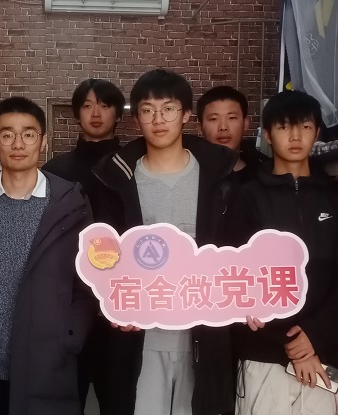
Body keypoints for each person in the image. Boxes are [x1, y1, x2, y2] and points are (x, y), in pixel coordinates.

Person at [92, 69, 236, 415]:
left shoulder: (219, 178)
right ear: (136, 118)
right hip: (140, 338)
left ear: (186, 114)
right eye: (147, 110)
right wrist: (108, 304)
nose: (158, 120)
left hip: (203, 335)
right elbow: (101, 256)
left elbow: (235, 251)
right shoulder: (116, 181)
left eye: (168, 109)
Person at [0, 97, 96, 415]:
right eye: (7, 134)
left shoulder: (71, 205)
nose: (18, 144)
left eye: (28, 134)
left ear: (43, 141)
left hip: (47, 361)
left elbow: (87, 282)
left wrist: (70, 334)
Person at [226, 90, 338, 415]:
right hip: (264, 357)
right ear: (266, 134)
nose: (295, 136)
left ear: (317, 132)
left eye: (305, 126)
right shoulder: (246, 198)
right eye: (284, 126)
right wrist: (292, 343)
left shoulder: (333, 198)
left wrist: (315, 337)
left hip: (323, 356)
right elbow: (238, 276)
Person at [41, 78, 126, 413]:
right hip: (67, 296)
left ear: (118, 113)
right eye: (87, 106)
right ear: (76, 114)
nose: (96, 113)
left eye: (104, 105)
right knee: (66, 395)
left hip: (119, 298)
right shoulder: (54, 171)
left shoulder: (132, 167)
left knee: (117, 396)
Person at [197, 86, 269, 184]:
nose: (223, 127)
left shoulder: (265, 177)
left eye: (232, 118)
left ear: (245, 124)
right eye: (213, 119)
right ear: (200, 128)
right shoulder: (189, 175)